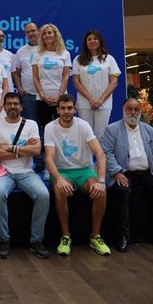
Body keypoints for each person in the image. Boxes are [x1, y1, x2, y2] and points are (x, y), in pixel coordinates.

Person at [100, 98, 153, 253]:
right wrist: (117, 172)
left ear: (140, 111)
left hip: (148, 172)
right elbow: (106, 153)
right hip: (124, 172)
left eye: (136, 109)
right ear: (123, 110)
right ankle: (123, 236)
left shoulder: (148, 130)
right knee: (121, 191)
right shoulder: (112, 129)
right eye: (129, 109)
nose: (133, 112)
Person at [45, 94, 111, 256]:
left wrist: (101, 181)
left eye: (69, 108)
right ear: (58, 110)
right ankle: (66, 236)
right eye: (63, 108)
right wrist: (59, 179)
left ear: (74, 109)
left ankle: (95, 236)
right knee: (60, 191)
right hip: (62, 171)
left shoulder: (83, 125)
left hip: (84, 170)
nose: (66, 111)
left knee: (101, 192)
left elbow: (100, 154)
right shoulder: (50, 127)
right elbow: (48, 158)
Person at [0, 93, 50, 259]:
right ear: (4, 106)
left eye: (16, 104)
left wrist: (8, 147)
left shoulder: (31, 124)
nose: (12, 107)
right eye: (9, 104)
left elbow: (36, 150)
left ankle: (36, 240)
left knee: (43, 195)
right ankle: (3, 239)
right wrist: (22, 150)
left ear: (21, 107)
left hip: (26, 172)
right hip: (4, 172)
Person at [32, 23, 71, 172]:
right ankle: (46, 167)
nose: (47, 35)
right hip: (42, 99)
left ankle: (62, 165)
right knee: (45, 132)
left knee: (61, 131)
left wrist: (60, 96)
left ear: (55, 34)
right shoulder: (38, 54)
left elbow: (66, 76)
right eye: (45, 33)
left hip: (60, 99)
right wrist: (42, 95)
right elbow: (35, 78)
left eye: (50, 33)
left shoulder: (64, 54)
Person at [72, 29, 121, 141]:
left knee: (101, 135)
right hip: (84, 103)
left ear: (100, 41)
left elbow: (114, 82)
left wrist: (100, 100)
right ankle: (87, 159)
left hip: (103, 103)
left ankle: (100, 158)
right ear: (85, 43)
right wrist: (91, 99)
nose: (92, 41)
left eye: (95, 38)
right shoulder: (78, 60)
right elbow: (76, 82)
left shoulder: (109, 59)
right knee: (86, 134)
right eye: (89, 39)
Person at [13, 22, 40, 121]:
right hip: (28, 95)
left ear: (39, 31)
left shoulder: (47, 49)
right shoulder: (21, 51)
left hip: (45, 95)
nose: (31, 34)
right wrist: (19, 88)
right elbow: (16, 72)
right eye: (28, 32)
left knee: (47, 125)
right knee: (31, 124)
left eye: (33, 30)